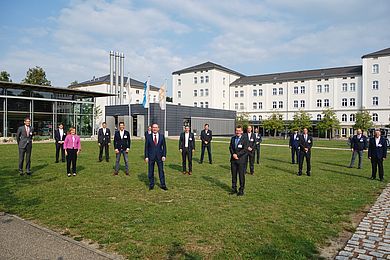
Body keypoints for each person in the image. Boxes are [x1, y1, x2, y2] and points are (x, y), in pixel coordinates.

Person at [144, 123, 168, 190]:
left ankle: (163, 185)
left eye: (156, 127)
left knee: (161, 171)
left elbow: (164, 147)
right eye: (153, 127)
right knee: (150, 171)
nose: (154, 129)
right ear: (152, 128)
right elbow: (146, 147)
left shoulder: (161, 136)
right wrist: (146, 156)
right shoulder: (148, 136)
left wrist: (164, 155)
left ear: (158, 128)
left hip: (160, 157)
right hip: (151, 157)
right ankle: (151, 185)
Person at [229, 125, 249, 196]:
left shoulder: (245, 139)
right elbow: (230, 147)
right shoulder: (233, 138)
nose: (238, 132)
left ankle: (241, 190)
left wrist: (238, 155)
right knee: (233, 175)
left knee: (241, 175)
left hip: (241, 160)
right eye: (237, 131)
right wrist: (233, 154)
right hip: (233, 160)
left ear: (242, 131)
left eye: (239, 131)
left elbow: (245, 149)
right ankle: (234, 189)